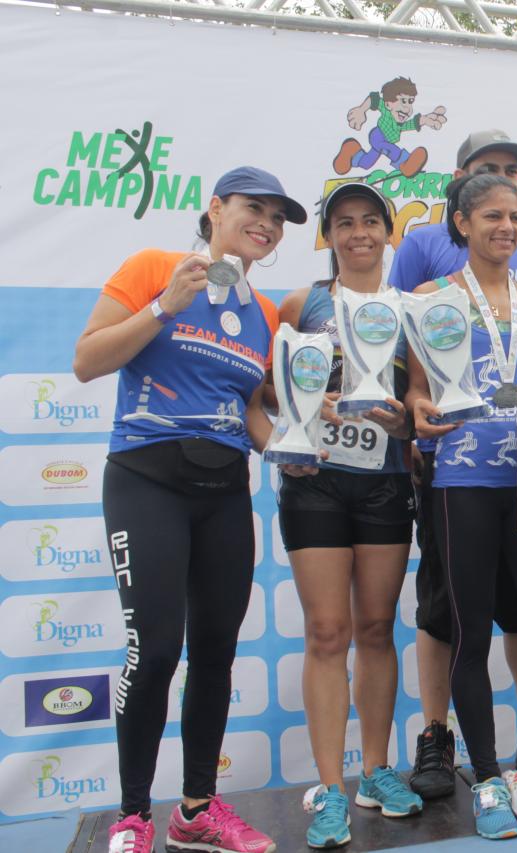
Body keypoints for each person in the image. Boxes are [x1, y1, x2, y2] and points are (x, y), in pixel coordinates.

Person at [74, 166, 306, 853]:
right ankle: (134, 815)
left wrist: (291, 450)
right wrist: (164, 306)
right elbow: (88, 360)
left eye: (277, 216)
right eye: (252, 208)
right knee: (154, 648)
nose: (265, 222)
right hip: (146, 481)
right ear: (214, 210)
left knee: (215, 651)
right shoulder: (153, 267)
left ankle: (197, 809)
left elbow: (250, 414)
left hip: (223, 495)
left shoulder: (264, 314)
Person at [387, 130, 517, 794]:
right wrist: (417, 407)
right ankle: (485, 777)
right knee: (471, 630)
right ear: (461, 223)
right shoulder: (429, 299)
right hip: (461, 481)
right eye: (492, 217)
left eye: (515, 216)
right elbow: (417, 387)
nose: (507, 227)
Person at [274, 183, 421, 849]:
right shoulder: (302, 304)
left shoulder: (413, 309)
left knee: (375, 628)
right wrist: (300, 423)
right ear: (329, 236)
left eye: (369, 221)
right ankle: (331, 787)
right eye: (344, 223)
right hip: (315, 486)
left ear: (389, 231)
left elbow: (426, 404)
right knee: (327, 632)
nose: (358, 233)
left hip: (386, 484)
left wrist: (401, 419)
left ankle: (378, 769)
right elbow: (265, 395)